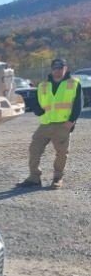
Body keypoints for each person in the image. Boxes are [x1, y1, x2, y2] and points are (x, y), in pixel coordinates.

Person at [18, 59, 82, 190]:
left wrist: (72, 121)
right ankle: (34, 178)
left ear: (66, 68)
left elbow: (78, 104)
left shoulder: (74, 83)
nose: (57, 71)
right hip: (45, 124)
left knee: (61, 153)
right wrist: (37, 110)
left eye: (60, 68)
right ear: (52, 69)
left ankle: (57, 178)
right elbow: (36, 102)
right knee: (34, 149)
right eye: (55, 68)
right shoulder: (43, 85)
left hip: (63, 125)